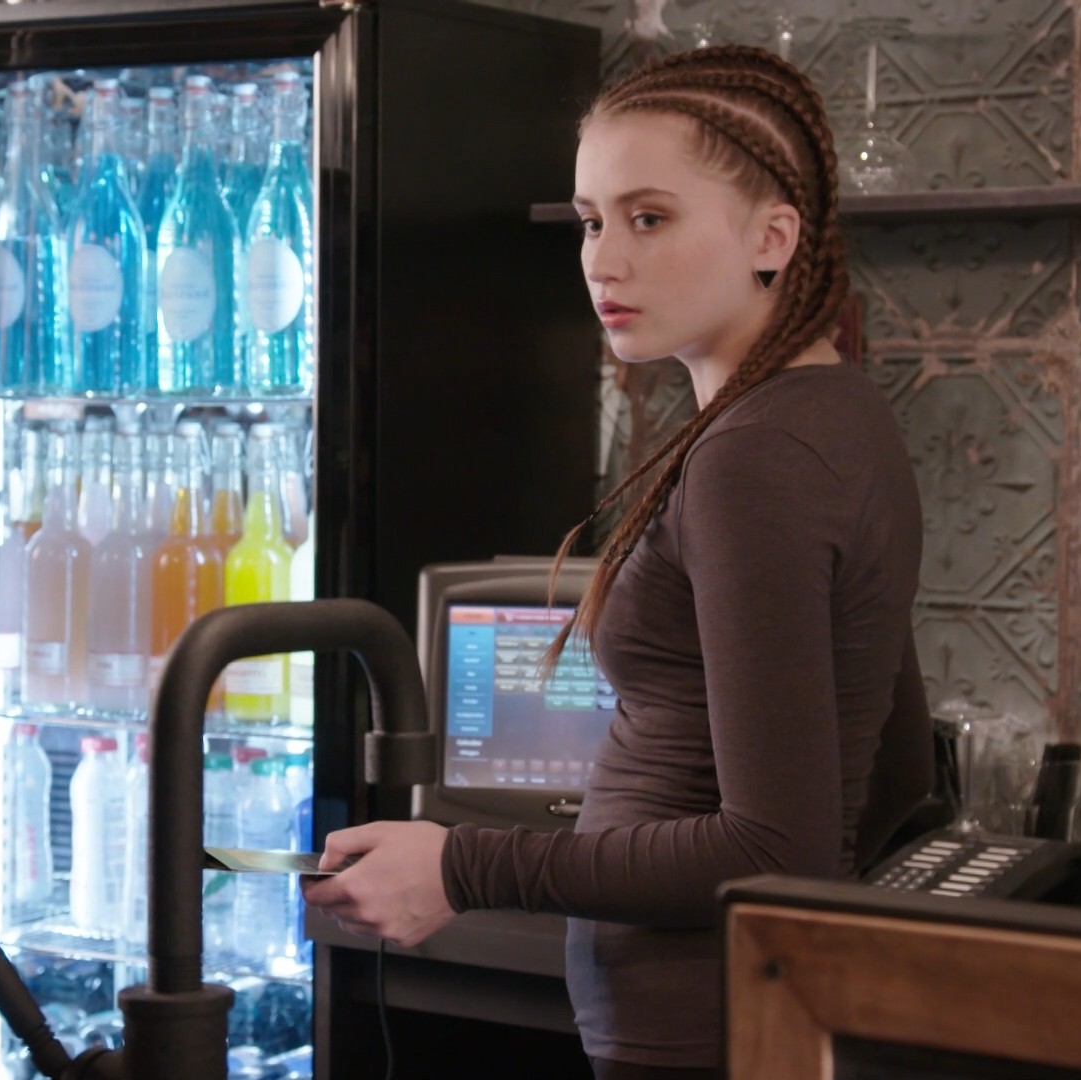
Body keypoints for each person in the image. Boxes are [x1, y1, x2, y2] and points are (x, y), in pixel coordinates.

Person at [302, 46, 932, 1079]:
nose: (603, 260)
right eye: (592, 221)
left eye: (650, 218)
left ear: (772, 239)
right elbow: (899, 768)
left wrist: (463, 864)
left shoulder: (755, 457)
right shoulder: (839, 413)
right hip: (738, 1012)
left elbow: (774, 850)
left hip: (697, 1028)